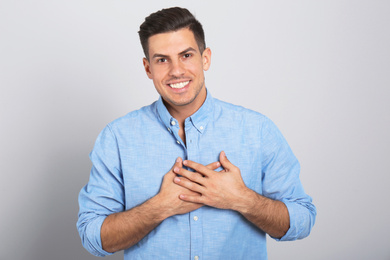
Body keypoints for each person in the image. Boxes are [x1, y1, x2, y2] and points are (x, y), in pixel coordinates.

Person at [77, 7, 316, 259]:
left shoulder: (258, 130)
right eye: (162, 60)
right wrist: (159, 207)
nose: (176, 70)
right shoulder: (117, 138)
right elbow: (93, 237)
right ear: (148, 68)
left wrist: (242, 199)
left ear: (205, 58)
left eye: (186, 55)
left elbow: (303, 220)